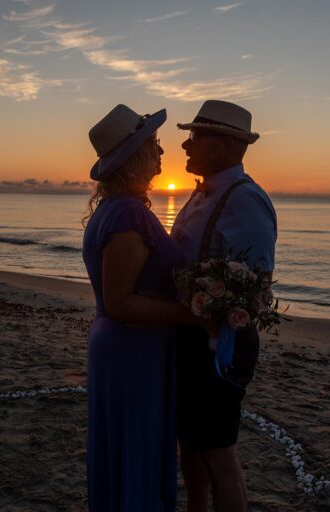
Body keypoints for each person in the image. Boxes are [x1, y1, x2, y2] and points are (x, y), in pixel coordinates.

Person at [82, 104, 205, 512]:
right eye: (153, 143)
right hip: (132, 350)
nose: (162, 151)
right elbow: (120, 302)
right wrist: (189, 313)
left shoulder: (116, 208)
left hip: (124, 347)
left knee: (127, 450)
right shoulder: (127, 214)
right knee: (136, 449)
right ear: (135, 155)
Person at [171, 100, 277, 512]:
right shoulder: (200, 195)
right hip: (189, 339)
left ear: (230, 144)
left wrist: (212, 313)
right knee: (190, 447)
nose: (186, 144)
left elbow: (253, 287)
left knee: (219, 454)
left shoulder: (245, 200)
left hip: (221, 346)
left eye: (197, 136)